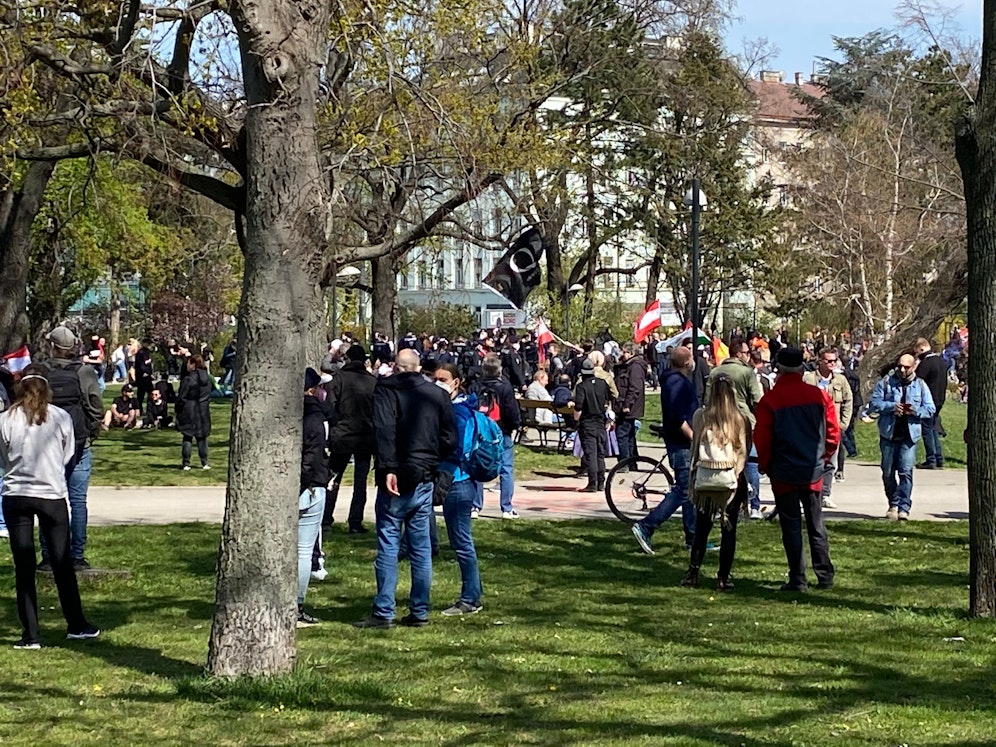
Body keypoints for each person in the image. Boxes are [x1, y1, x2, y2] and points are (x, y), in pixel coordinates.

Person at [354, 349, 457, 629]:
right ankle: (419, 610)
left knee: (389, 543)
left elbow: (383, 429)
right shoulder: (437, 395)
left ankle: (384, 610)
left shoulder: (387, 391)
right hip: (423, 473)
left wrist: (388, 467)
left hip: (398, 473)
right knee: (420, 547)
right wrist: (434, 462)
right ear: (419, 367)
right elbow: (450, 437)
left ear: (395, 368)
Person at [0, 365, 100, 648]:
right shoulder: (60, 417)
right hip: (51, 494)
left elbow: (3, 457)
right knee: (62, 562)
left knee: (24, 566)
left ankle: (31, 634)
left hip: (16, 494)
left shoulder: (6, 419)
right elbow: (68, 454)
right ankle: (76, 624)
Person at [755, 348, 840, 592]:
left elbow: (762, 439)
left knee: (791, 526)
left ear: (778, 369)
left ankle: (798, 577)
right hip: (813, 470)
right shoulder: (819, 396)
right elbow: (833, 432)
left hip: (784, 471)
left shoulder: (770, 400)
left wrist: (766, 465)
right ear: (802, 369)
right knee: (816, 523)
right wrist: (824, 457)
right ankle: (824, 575)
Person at [680, 374, 750, 591]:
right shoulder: (740, 419)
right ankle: (723, 577)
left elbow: (694, 449)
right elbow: (743, 452)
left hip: (706, 478)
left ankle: (693, 572)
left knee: (702, 528)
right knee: (728, 529)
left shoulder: (701, 415)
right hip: (731, 478)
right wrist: (737, 475)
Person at [41, 326, 102, 572]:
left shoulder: (40, 370)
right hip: (79, 443)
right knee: (78, 501)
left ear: (51, 345)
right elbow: (96, 406)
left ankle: (48, 556)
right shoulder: (85, 371)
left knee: (48, 499)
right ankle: (76, 556)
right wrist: (89, 430)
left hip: (46, 446)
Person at [631, 346, 698, 554]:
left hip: (682, 443)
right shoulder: (676, 382)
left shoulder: (675, 380)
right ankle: (646, 526)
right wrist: (694, 437)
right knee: (683, 490)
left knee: (690, 492)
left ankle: (693, 538)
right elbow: (679, 416)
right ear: (687, 362)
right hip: (682, 444)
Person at [432, 363, 484, 616]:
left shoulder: (459, 413)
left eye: (443, 378)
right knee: (459, 541)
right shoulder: (451, 409)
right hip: (454, 480)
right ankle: (472, 594)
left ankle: (470, 598)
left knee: (462, 542)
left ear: (456, 382)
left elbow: (458, 448)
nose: (438, 382)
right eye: (435, 378)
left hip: (458, 481)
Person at [868, 352, 935, 520]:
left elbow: (930, 409)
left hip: (909, 436)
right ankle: (893, 504)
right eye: (900, 366)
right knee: (888, 473)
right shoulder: (886, 382)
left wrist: (914, 410)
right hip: (889, 434)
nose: (902, 370)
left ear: (914, 367)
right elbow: (874, 404)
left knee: (905, 472)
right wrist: (892, 407)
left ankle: (904, 507)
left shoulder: (920, 385)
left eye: (906, 367)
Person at [324, 344, 376, 534]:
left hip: (344, 434)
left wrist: (336, 424)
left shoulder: (339, 379)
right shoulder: (372, 382)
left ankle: (326, 518)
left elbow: (330, 405)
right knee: (360, 481)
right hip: (364, 435)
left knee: (332, 478)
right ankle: (355, 521)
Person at [297, 368, 330, 627]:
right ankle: (296, 604)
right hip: (309, 487)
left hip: (307, 483)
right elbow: (312, 456)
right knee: (303, 551)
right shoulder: (315, 417)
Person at [802, 348, 852, 510]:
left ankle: (825, 494)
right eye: (828, 361)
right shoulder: (808, 379)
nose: (831, 364)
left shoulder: (841, 381)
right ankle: (809, 494)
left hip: (832, 428)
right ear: (820, 361)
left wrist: (843, 424)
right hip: (812, 429)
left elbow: (848, 402)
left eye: (834, 361)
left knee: (831, 463)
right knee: (810, 462)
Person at [474, 354, 521, 519]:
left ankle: (475, 506)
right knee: (506, 468)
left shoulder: (476, 385)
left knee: (476, 465)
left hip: (480, 429)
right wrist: (515, 425)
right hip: (501, 429)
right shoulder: (505, 386)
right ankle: (506, 508)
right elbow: (510, 410)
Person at [573, 359, 609, 492]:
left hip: (588, 422)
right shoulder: (602, 383)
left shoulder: (582, 386)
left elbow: (578, 406)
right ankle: (601, 482)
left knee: (590, 454)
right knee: (600, 453)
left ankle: (592, 483)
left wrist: (576, 420)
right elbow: (609, 398)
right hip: (600, 421)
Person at [914, 338, 948, 470]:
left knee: (927, 430)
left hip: (929, 401)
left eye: (917, 352)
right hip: (940, 399)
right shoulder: (941, 362)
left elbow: (918, 381)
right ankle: (938, 457)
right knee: (933, 428)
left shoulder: (927, 363)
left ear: (921, 349)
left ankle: (931, 459)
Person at [176, 354, 212, 470]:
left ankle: (186, 463)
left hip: (189, 409)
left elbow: (182, 397)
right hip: (203, 410)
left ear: (193, 364)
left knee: (188, 437)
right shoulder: (207, 378)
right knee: (202, 438)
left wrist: (178, 408)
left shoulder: (189, 379)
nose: (187, 365)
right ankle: (204, 462)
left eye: (189, 363)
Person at [613, 342, 646, 462]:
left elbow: (634, 387)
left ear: (631, 353)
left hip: (627, 407)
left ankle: (624, 462)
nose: (623, 354)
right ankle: (631, 462)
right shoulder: (627, 365)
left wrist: (627, 404)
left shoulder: (635, 366)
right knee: (629, 435)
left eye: (625, 352)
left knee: (622, 435)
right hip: (624, 404)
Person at [133, 338, 155, 412]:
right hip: (142, 376)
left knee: (150, 392)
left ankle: (150, 408)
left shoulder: (147, 352)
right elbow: (142, 364)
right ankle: (140, 409)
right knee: (141, 393)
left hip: (146, 375)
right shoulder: (141, 352)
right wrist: (145, 372)